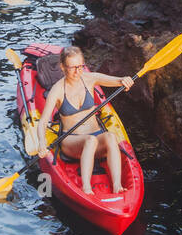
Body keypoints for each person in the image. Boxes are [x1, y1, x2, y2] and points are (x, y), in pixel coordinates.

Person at [34, 46, 134, 195]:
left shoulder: (89, 78)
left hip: (97, 136)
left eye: (80, 66)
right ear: (62, 67)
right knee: (90, 141)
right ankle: (86, 189)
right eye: (73, 67)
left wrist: (124, 80)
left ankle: (117, 186)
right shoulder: (57, 90)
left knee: (111, 137)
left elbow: (117, 81)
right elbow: (43, 122)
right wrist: (42, 143)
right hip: (72, 142)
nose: (78, 71)